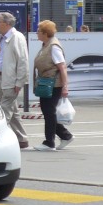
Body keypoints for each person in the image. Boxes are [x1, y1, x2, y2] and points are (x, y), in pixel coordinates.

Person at [32, 19, 73, 151]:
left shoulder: (54, 46)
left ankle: (49, 142)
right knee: (48, 111)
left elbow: (62, 67)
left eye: (38, 31)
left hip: (53, 84)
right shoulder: (46, 44)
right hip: (45, 83)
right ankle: (65, 136)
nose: (36, 33)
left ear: (45, 33)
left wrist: (65, 86)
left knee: (49, 112)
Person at [0, 12, 30, 149]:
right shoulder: (1, 37)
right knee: (12, 111)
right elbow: (3, 57)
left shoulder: (17, 37)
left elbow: (23, 61)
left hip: (10, 80)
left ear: (6, 24)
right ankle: (22, 139)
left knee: (4, 111)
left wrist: (20, 82)